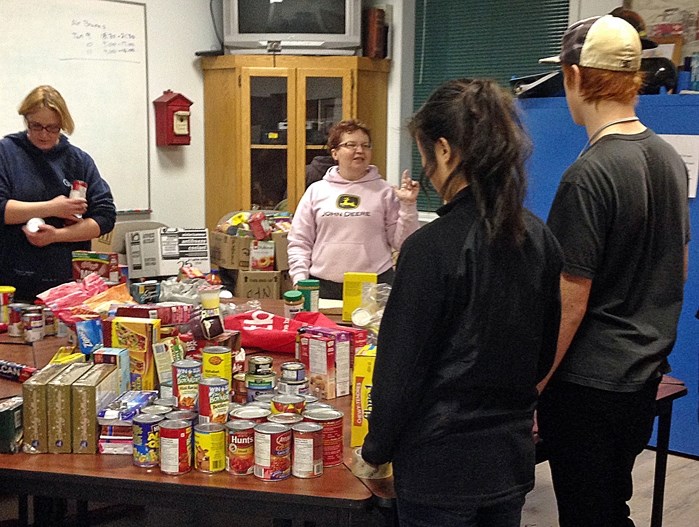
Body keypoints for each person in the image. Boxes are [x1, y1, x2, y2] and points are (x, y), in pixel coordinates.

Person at [361, 79, 563, 527]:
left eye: (426, 155)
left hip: (439, 463)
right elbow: (543, 354)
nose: (427, 170)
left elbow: (401, 367)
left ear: (446, 151)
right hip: (507, 456)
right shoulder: (540, 237)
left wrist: (376, 448)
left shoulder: (430, 248)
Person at [536, 15, 690, 527]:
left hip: (588, 387)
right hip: (643, 376)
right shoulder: (669, 159)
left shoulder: (590, 174)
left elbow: (571, 299)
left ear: (575, 77)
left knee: (587, 514)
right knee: (609, 506)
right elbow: (680, 266)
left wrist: (534, 383)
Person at [0, 85, 116, 302]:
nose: (44, 134)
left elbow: (105, 218)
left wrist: (55, 236)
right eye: (36, 126)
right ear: (26, 120)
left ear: (63, 125)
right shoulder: (7, 153)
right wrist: (52, 208)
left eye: (52, 128)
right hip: (13, 283)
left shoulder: (79, 160)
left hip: (67, 286)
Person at [287, 119, 419, 299]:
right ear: (335, 153)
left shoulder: (385, 191)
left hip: (374, 286)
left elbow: (403, 244)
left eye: (365, 145)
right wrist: (300, 280)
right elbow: (299, 241)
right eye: (351, 145)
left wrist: (408, 206)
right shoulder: (316, 191)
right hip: (322, 286)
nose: (360, 150)